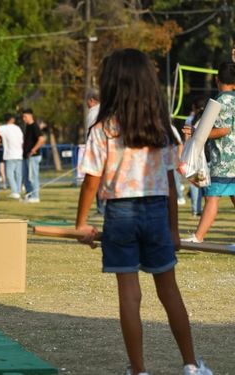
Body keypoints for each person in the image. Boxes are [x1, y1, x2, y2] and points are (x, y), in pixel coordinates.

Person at [76, 48, 212, 375]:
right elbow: (169, 184)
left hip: (119, 212)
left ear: (113, 85)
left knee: (129, 294)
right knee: (169, 290)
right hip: (154, 211)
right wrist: (175, 230)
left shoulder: (103, 129)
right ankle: (192, 366)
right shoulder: (161, 128)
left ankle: (138, 371)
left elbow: (91, 182)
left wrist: (81, 223)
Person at [182, 62, 235, 244]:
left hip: (223, 161)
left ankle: (198, 236)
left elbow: (224, 130)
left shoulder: (221, 101)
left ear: (216, 79)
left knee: (211, 198)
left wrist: (197, 134)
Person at [182, 97, 208, 217]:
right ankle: (201, 209)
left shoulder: (191, 119)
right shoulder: (205, 119)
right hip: (202, 155)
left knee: (195, 182)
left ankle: (195, 209)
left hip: (192, 154)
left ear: (194, 107)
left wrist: (184, 151)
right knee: (202, 183)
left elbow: (186, 137)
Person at [0, 113, 24, 199]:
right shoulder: (18, 128)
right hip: (19, 153)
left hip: (10, 154)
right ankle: (18, 190)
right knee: (18, 174)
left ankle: (15, 191)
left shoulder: (4, 128)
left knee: (9, 174)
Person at [21, 108, 45, 203]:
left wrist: (33, 149)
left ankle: (35, 196)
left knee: (33, 176)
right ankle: (29, 194)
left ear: (30, 116)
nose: (24, 118)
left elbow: (41, 139)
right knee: (26, 176)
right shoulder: (27, 126)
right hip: (26, 156)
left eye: (25, 116)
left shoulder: (34, 126)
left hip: (33, 156)